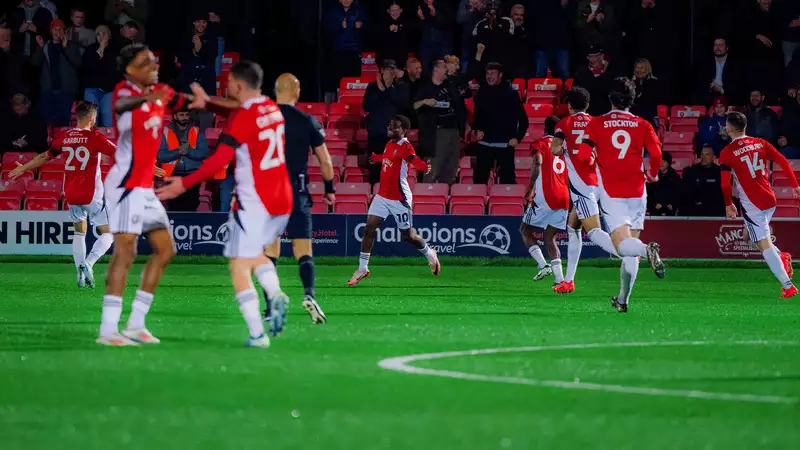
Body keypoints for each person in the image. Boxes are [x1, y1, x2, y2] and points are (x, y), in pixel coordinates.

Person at [157, 61, 294, 346]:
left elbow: (219, 159)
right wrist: (208, 103)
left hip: (255, 201)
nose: (226, 85)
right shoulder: (271, 108)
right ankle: (275, 292)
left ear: (239, 85)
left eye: (229, 82)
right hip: (282, 200)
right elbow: (238, 109)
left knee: (237, 266)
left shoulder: (243, 118)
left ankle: (257, 334)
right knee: (253, 253)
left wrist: (184, 183)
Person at [98, 43, 201, 347]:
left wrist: (218, 103)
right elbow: (120, 106)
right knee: (125, 253)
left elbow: (188, 101)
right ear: (131, 69)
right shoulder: (124, 91)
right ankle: (108, 330)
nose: (154, 66)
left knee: (166, 250)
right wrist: (148, 97)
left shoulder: (160, 93)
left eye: (155, 61)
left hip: (144, 188)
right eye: (146, 62)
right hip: (125, 185)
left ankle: (136, 324)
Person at [576, 77, 665, 312]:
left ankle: (647, 250)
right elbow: (657, 154)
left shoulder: (596, 123)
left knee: (621, 247)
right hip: (638, 191)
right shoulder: (643, 124)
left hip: (612, 193)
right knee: (629, 250)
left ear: (610, 98)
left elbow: (583, 156)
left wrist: (593, 160)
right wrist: (652, 174)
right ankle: (623, 300)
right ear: (632, 100)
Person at [8, 102, 120, 288]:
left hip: (71, 192)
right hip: (91, 193)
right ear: (92, 118)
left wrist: (24, 168)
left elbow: (45, 156)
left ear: (77, 117)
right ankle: (89, 263)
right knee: (109, 233)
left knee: (79, 232)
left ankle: (80, 276)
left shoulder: (65, 137)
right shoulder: (95, 137)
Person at [262, 73, 336, 328]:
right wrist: (329, 189)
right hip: (297, 192)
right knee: (303, 250)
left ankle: (269, 307)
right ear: (297, 92)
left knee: (270, 252)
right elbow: (325, 160)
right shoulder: (307, 120)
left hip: (269, 192)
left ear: (275, 91)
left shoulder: (263, 120)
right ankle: (309, 295)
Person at [348, 115, 439, 286]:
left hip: (399, 198)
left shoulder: (405, 146)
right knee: (369, 229)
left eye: (395, 126)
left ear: (404, 130)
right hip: (382, 196)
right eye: (389, 125)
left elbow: (414, 160)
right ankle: (362, 269)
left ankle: (430, 254)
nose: (390, 128)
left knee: (408, 236)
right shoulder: (389, 144)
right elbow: (387, 157)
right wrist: (376, 158)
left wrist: (424, 167)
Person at [719, 111, 798, 299]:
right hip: (769, 199)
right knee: (751, 237)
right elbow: (783, 161)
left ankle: (788, 286)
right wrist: (795, 185)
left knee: (764, 245)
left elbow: (725, 184)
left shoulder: (727, 153)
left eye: (726, 124)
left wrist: (729, 204)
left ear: (730, 128)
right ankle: (782, 257)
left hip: (753, 204)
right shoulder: (760, 143)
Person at [550, 87, 619, 294]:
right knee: (573, 227)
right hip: (601, 182)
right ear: (588, 105)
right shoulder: (597, 123)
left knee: (595, 232)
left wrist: (566, 149)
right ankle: (568, 281)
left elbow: (555, 150)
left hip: (583, 186)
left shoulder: (564, 124)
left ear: (569, 106)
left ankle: (632, 252)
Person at [521, 115, 568, 285]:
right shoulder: (564, 147)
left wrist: (530, 189)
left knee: (525, 230)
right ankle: (560, 280)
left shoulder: (540, 143)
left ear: (545, 128)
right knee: (550, 238)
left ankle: (543, 265)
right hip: (564, 196)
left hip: (546, 196)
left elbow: (538, 162)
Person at [471, 62, 527, 185]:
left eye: (492, 73)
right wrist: (477, 130)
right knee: (479, 181)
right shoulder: (481, 93)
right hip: (484, 144)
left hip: (505, 145)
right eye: (487, 73)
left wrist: (517, 138)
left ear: (500, 75)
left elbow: (523, 120)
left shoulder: (511, 94)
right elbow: (476, 117)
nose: (489, 76)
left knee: (508, 181)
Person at [414, 60, 466, 184]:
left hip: (453, 131)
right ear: (436, 69)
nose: (447, 69)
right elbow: (414, 105)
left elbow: (460, 106)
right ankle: (427, 195)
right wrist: (425, 101)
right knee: (432, 171)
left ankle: (445, 193)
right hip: (436, 134)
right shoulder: (425, 87)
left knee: (450, 170)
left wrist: (462, 128)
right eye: (444, 67)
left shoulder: (451, 85)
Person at [363, 59, 409, 182]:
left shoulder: (401, 87)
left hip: (394, 135)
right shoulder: (372, 87)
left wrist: (388, 88)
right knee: (375, 168)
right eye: (386, 69)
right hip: (376, 133)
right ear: (381, 71)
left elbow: (402, 105)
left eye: (392, 69)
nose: (389, 73)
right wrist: (380, 89)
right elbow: (367, 106)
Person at [31, 19, 82, 127]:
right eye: (55, 29)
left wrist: (66, 47)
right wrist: (40, 48)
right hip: (48, 90)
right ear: (51, 31)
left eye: (60, 29)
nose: (58, 32)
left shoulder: (72, 45)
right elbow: (35, 63)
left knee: (63, 122)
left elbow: (78, 63)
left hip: (66, 90)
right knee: (47, 122)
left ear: (64, 31)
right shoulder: (45, 45)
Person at [156, 107, 209, 211]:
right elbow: (160, 156)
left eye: (186, 115)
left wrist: (188, 151)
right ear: (175, 116)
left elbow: (203, 153)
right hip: (172, 173)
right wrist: (178, 152)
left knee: (191, 206)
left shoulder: (197, 131)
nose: (185, 117)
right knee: (175, 207)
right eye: (181, 115)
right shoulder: (165, 132)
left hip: (192, 173)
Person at [325, 0, 367, 96]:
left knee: (353, 81)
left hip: (354, 52)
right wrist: (339, 26)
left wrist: (362, 26)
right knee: (338, 82)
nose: (346, 1)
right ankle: (339, 102)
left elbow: (369, 29)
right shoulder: (333, 12)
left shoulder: (359, 11)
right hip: (338, 52)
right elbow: (327, 31)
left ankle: (353, 101)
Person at [82, 25, 119, 128]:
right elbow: (89, 65)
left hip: (108, 90)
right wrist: (101, 48)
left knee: (108, 120)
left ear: (109, 35)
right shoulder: (90, 49)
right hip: (92, 89)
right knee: (91, 121)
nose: (101, 36)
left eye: (104, 33)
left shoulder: (114, 49)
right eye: (98, 34)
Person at [693, 38, 741, 105]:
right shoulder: (704, 64)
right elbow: (699, 83)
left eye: (721, 45)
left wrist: (721, 89)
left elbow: (737, 85)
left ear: (727, 48)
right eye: (715, 44)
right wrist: (711, 87)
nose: (717, 47)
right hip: (708, 100)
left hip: (729, 99)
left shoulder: (735, 65)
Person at [682, 145, 725, 217]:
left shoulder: (720, 172)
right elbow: (687, 193)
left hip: (714, 210)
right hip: (695, 210)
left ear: (714, 157)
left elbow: (720, 194)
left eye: (707, 154)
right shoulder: (690, 171)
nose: (703, 157)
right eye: (702, 154)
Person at [647, 151, 682, 216]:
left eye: (664, 161)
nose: (661, 163)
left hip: (669, 211)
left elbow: (677, 195)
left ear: (669, 163)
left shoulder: (675, 178)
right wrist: (654, 205)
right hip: (654, 211)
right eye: (660, 161)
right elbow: (649, 194)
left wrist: (667, 205)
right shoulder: (652, 176)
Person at [630, 58, 661, 126]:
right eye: (637, 67)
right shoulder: (631, 83)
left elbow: (649, 100)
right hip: (633, 117)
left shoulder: (653, 82)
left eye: (642, 68)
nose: (639, 70)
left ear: (647, 69)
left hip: (648, 116)